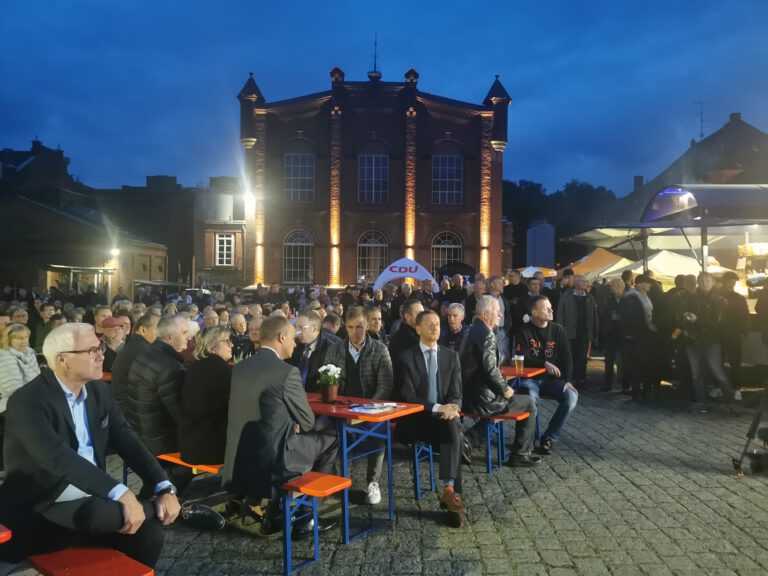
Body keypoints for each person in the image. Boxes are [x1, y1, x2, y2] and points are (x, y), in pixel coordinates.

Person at [0, 323, 181, 567]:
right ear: (62, 360)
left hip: (94, 499)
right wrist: (123, 494)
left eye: (101, 347)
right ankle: (178, 510)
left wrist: (163, 486)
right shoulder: (27, 400)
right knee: (99, 514)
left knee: (149, 534)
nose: (101, 355)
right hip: (42, 506)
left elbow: (127, 440)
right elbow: (56, 458)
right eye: (91, 350)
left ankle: (151, 509)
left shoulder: (98, 392)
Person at [222, 315, 338, 537]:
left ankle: (274, 515)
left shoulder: (240, 367)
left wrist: (288, 421)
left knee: (297, 437)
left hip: (238, 457)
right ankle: (306, 517)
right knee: (330, 435)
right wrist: (293, 422)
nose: (295, 344)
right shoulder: (286, 372)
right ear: (281, 337)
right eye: (292, 339)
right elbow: (307, 421)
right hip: (274, 462)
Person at [394, 310, 467, 527]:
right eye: (430, 324)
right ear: (418, 329)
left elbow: (457, 394)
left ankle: (448, 490)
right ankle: (453, 495)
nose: (436, 328)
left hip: (445, 420)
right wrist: (438, 408)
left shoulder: (450, 356)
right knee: (454, 434)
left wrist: (453, 408)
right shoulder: (405, 358)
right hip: (417, 421)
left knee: (452, 426)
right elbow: (407, 397)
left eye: (437, 324)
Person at [461, 295, 540, 466]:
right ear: (484, 313)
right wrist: (505, 389)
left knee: (503, 407)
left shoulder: (471, 330)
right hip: (481, 400)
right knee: (528, 402)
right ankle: (520, 453)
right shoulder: (486, 334)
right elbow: (489, 370)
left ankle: (468, 440)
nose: (500, 315)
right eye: (497, 312)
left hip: (468, 395)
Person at [126, 315, 192, 495]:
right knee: (202, 453)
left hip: (140, 430)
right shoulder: (170, 367)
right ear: (169, 337)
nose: (190, 337)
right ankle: (161, 493)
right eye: (185, 333)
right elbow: (182, 416)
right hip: (158, 440)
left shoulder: (148, 353)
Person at [341, 306, 394, 505]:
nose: (356, 332)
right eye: (351, 327)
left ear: (367, 326)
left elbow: (385, 386)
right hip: (341, 409)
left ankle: (373, 482)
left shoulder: (380, 350)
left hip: (371, 409)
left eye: (360, 327)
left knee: (378, 430)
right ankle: (330, 478)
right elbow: (328, 381)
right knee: (321, 430)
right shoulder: (337, 349)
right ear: (345, 327)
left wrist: (366, 410)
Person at [515, 295, 579, 454]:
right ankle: (526, 441)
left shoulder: (558, 330)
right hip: (530, 380)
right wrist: (543, 363)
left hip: (551, 381)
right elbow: (521, 358)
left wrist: (568, 380)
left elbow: (567, 358)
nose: (551, 310)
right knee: (530, 400)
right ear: (534, 312)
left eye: (550, 306)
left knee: (571, 397)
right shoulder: (523, 331)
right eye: (546, 308)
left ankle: (549, 437)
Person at [681, 271, 734, 411]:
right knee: (696, 374)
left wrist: (697, 320)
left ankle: (731, 401)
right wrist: (685, 319)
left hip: (711, 341)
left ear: (712, 282)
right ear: (698, 282)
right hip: (693, 341)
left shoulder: (719, 300)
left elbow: (718, 324)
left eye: (707, 281)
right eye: (702, 281)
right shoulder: (692, 298)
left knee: (718, 372)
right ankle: (700, 402)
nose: (704, 283)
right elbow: (683, 316)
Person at [179, 326, 233, 465]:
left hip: (190, 444)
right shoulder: (220, 368)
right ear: (213, 345)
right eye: (226, 341)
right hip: (210, 449)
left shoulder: (195, 365)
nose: (231, 345)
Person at [0, 322, 41, 470]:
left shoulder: (29, 353)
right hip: (12, 405)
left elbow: (37, 380)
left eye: (25, 337)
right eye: (18, 338)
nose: (23, 341)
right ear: (9, 339)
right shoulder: (4, 356)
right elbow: (12, 388)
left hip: (31, 402)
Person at [556, 274, 599, 385]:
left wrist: (594, 331)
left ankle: (580, 379)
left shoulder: (589, 297)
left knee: (582, 357)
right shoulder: (566, 296)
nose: (585, 283)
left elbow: (594, 316)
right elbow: (560, 314)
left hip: (584, 332)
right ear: (575, 283)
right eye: (582, 281)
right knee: (569, 356)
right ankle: (569, 379)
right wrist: (561, 331)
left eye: (586, 281)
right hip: (569, 332)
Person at [111, 313, 159, 413]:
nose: (162, 333)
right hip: (133, 411)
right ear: (143, 330)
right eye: (158, 329)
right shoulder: (144, 351)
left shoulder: (136, 346)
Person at [289, 310, 343, 392]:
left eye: (300, 327)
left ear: (314, 328)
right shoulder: (293, 346)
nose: (297, 332)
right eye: (295, 327)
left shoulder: (331, 348)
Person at [720, 271, 750, 401]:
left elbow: (745, 316)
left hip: (732, 334)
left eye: (733, 282)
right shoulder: (717, 296)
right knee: (719, 362)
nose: (731, 284)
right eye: (729, 281)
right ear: (724, 281)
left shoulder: (738, 298)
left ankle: (735, 388)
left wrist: (743, 331)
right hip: (721, 335)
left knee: (735, 363)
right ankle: (724, 387)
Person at [600, 278, 627, 392]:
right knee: (609, 360)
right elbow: (604, 316)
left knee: (624, 360)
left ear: (619, 287)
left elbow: (630, 316)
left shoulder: (627, 300)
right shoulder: (609, 300)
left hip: (623, 334)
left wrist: (620, 318)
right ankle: (608, 384)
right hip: (611, 334)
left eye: (613, 286)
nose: (611, 288)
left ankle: (625, 384)